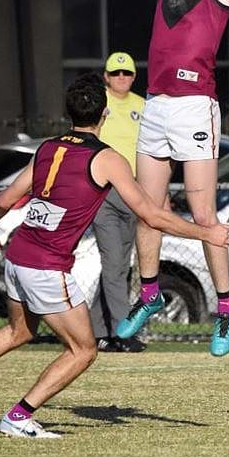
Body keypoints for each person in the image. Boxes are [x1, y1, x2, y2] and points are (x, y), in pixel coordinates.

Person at [0, 74, 229, 438]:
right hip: (46, 267)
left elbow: (6, 200)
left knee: (17, 331)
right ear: (104, 114)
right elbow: (151, 215)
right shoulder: (106, 159)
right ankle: (19, 416)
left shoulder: (47, 149)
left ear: (68, 114)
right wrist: (206, 231)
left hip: (18, 256)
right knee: (83, 351)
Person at [115, 0, 229, 355]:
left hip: (195, 107)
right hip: (159, 106)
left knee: (203, 215)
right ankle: (147, 294)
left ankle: (226, 308)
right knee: (148, 208)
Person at [89, 52, 147, 352]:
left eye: (126, 74)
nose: (121, 78)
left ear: (134, 76)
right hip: (105, 191)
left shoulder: (143, 106)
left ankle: (97, 329)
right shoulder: (99, 104)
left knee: (120, 265)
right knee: (114, 264)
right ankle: (122, 332)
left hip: (135, 191)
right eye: (116, 73)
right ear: (106, 76)